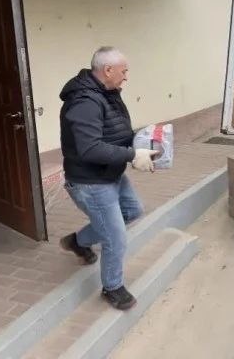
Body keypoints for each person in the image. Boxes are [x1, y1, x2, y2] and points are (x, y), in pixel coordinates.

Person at [58, 47, 158, 310]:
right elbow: (90, 148)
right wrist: (132, 155)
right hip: (90, 182)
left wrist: (143, 139)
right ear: (108, 70)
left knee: (132, 210)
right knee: (115, 238)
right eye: (124, 71)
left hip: (110, 173)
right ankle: (112, 287)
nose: (126, 76)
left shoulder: (107, 93)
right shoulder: (85, 102)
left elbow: (114, 131)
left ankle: (77, 241)